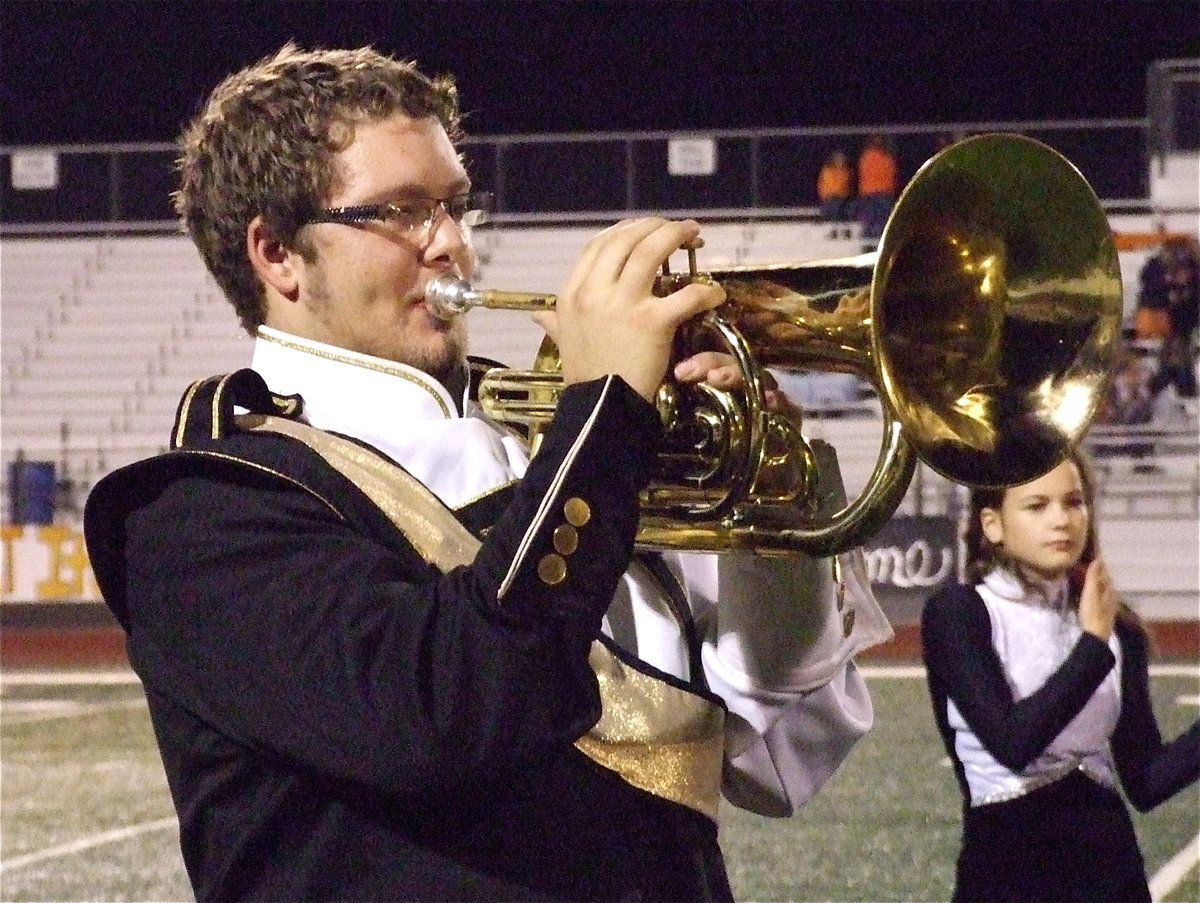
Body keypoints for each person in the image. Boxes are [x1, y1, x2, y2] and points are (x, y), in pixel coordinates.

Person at [82, 44, 892, 902]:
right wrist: (607, 412)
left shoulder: (556, 439)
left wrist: (773, 485)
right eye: (402, 213)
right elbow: (452, 709)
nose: (453, 246)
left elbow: (770, 740)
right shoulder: (200, 511)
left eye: (457, 205)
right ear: (278, 253)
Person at [920, 450, 1199, 903]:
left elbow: (1146, 780)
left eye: (1074, 502)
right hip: (1007, 871)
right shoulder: (960, 612)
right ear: (993, 525)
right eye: (1037, 506)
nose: (1062, 520)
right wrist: (1091, 644)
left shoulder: (1117, 627)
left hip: (1113, 872)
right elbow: (1013, 743)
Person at [855, 132, 898, 249]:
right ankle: (872, 248)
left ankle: (873, 248)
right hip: (877, 194)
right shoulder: (879, 156)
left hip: (877, 194)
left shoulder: (869, 156)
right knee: (874, 223)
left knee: (876, 223)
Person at [816, 149, 853, 238]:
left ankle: (840, 231)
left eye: (841, 159)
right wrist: (824, 196)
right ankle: (836, 231)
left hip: (841, 197)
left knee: (839, 210)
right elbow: (822, 184)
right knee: (834, 209)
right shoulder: (827, 170)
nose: (839, 161)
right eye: (837, 159)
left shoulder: (846, 171)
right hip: (830, 197)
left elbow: (845, 184)